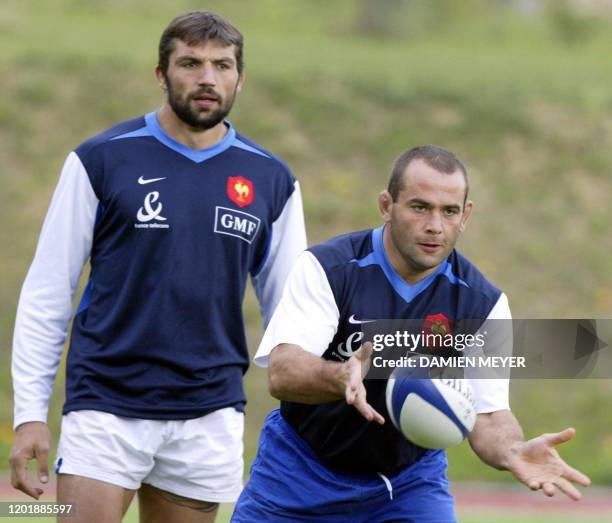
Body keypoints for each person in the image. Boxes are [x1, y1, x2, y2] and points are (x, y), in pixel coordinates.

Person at [9, 11, 306, 523]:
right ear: (161, 74)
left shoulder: (272, 179)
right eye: (190, 62)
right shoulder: (100, 160)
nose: (207, 78)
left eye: (222, 65)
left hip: (208, 414)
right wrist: (29, 415)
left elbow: (293, 315)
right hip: (104, 407)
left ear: (241, 77)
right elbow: (48, 291)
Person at [231, 145, 590, 522]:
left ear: (465, 215)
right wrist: (339, 376)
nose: (435, 225)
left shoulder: (482, 304)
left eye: (449, 211)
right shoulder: (330, 268)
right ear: (387, 206)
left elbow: (486, 415)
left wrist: (513, 450)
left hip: (407, 484)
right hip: (301, 472)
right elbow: (283, 371)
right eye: (420, 207)